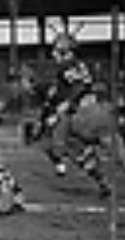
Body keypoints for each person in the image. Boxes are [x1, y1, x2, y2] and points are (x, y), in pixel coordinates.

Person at [35, 32, 112, 197]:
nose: (53, 54)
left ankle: (96, 176)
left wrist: (66, 105)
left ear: (66, 51)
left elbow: (78, 87)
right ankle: (101, 180)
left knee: (67, 142)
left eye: (56, 51)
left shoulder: (67, 66)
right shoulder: (75, 66)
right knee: (109, 149)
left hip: (84, 112)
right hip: (96, 108)